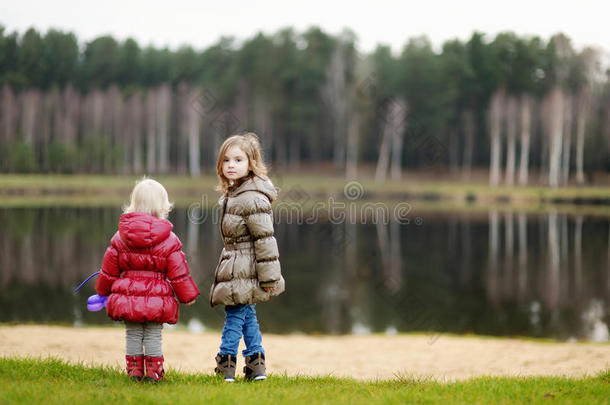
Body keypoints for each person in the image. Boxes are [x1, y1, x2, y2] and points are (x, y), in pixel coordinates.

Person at [95, 178, 200, 382]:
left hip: (128, 297)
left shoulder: (120, 237)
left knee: (133, 334)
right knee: (153, 335)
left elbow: (108, 270)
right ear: (163, 206)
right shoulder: (169, 239)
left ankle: (134, 372)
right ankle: (154, 373)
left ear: (133, 204)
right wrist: (187, 296)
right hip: (156, 299)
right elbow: (179, 273)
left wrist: (102, 292)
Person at [210, 132, 285, 382]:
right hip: (237, 266)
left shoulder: (252, 197)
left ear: (251, 164)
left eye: (238, 160)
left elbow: (265, 240)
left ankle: (226, 365)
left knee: (234, 315)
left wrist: (270, 278)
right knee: (248, 315)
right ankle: (256, 367)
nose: (231, 165)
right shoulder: (235, 194)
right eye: (226, 160)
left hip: (246, 268)